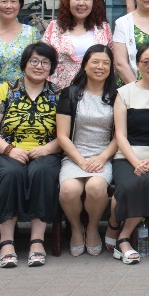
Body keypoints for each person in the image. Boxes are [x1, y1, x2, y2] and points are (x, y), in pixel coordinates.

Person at [0, 42, 62, 268]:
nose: (39, 66)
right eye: (34, 61)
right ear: (24, 63)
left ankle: (37, 241)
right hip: (8, 151)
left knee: (43, 172)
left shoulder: (59, 94)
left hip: (45, 152)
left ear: (52, 67)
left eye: (45, 62)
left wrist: (46, 149)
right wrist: (10, 150)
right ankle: (6, 242)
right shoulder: (5, 90)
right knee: (10, 174)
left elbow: (66, 134)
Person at [110, 41, 149, 264]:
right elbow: (120, 136)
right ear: (137, 65)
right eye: (146, 62)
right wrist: (136, 162)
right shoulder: (124, 93)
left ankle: (123, 237)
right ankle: (115, 227)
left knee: (146, 182)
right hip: (127, 156)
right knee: (128, 184)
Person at [56, 44, 118, 257]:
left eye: (106, 63)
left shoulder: (116, 96)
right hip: (74, 156)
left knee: (96, 187)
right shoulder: (70, 94)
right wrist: (81, 161)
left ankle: (92, 228)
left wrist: (102, 157)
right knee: (69, 190)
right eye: (95, 62)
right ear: (84, 65)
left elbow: (119, 136)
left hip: (103, 156)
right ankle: (76, 228)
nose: (100, 67)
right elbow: (62, 136)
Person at [42, 0, 111, 89]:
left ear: (94, 3)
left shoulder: (103, 28)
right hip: (59, 91)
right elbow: (43, 59)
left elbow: (112, 62)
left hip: (94, 90)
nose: (81, 3)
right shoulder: (54, 27)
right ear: (68, 1)